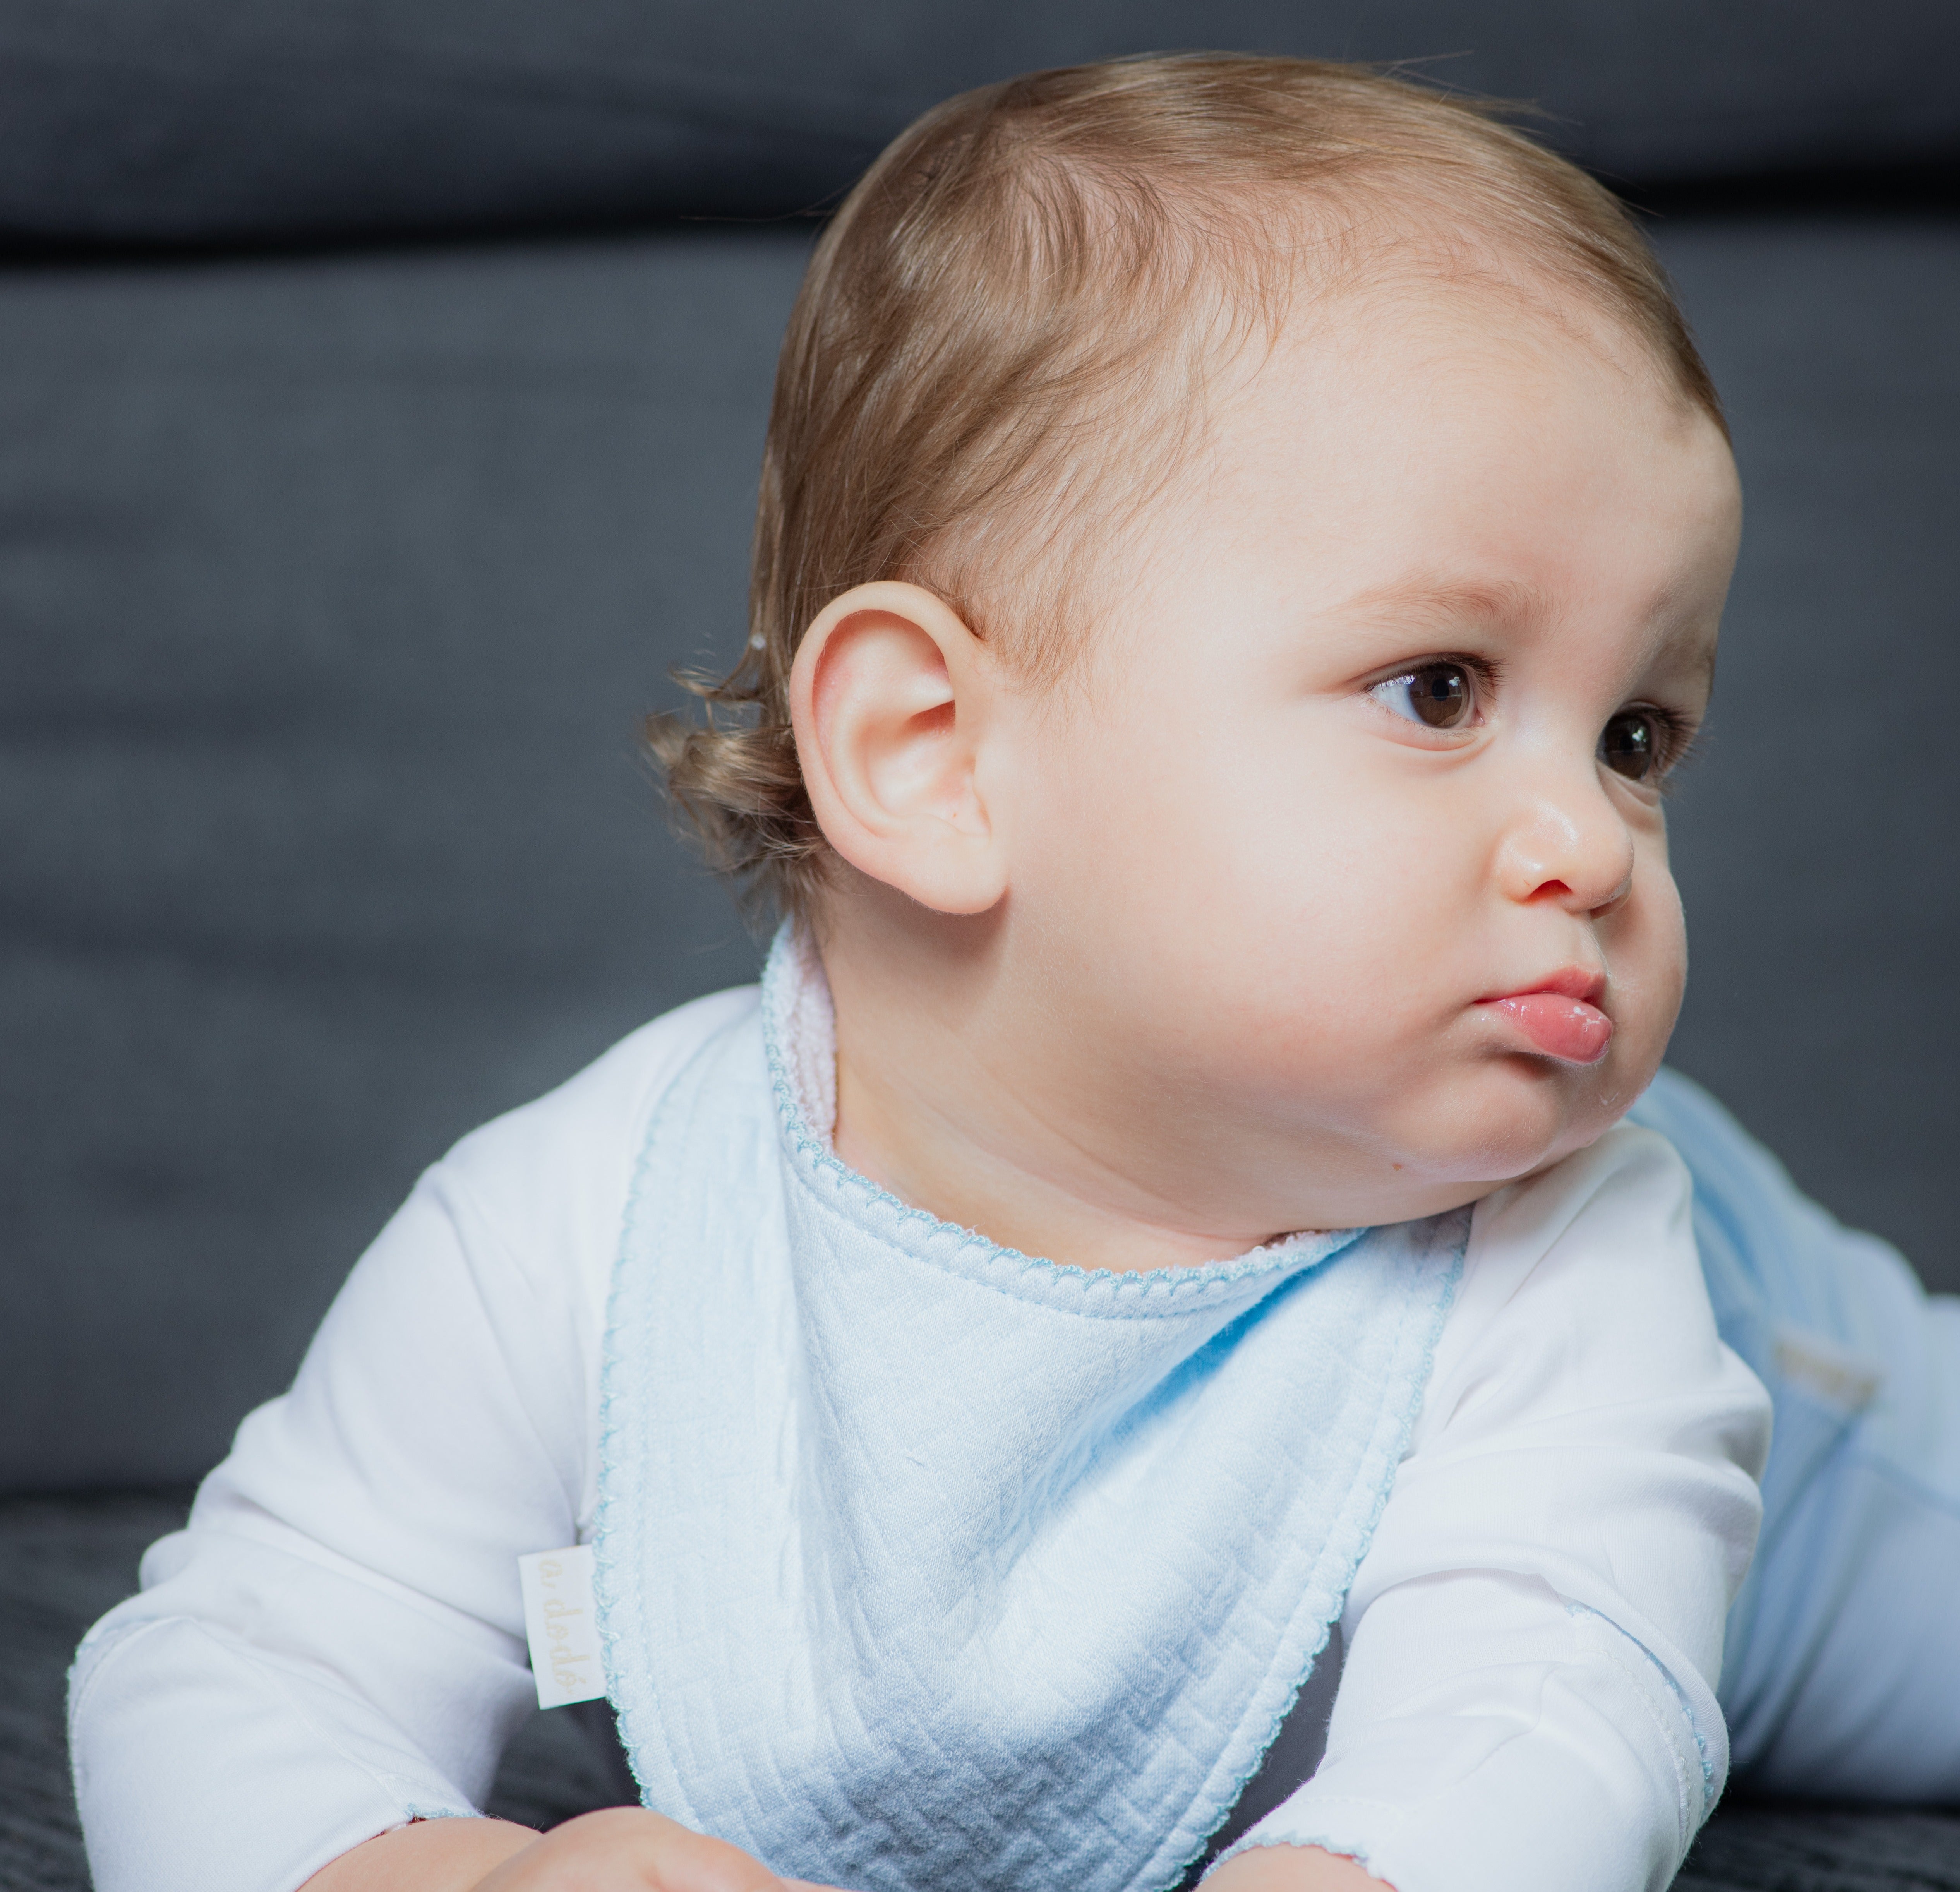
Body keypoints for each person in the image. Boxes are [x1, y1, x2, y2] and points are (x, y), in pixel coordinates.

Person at [68, 54, 1960, 1892]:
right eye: (1441, 690)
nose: (1594, 843)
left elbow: (1562, 1693)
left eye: (1639, 735)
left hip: (1841, 1444)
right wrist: (447, 1873)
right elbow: (233, 1656)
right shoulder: (589, 1228)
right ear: (930, 757)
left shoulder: (1558, 1239)